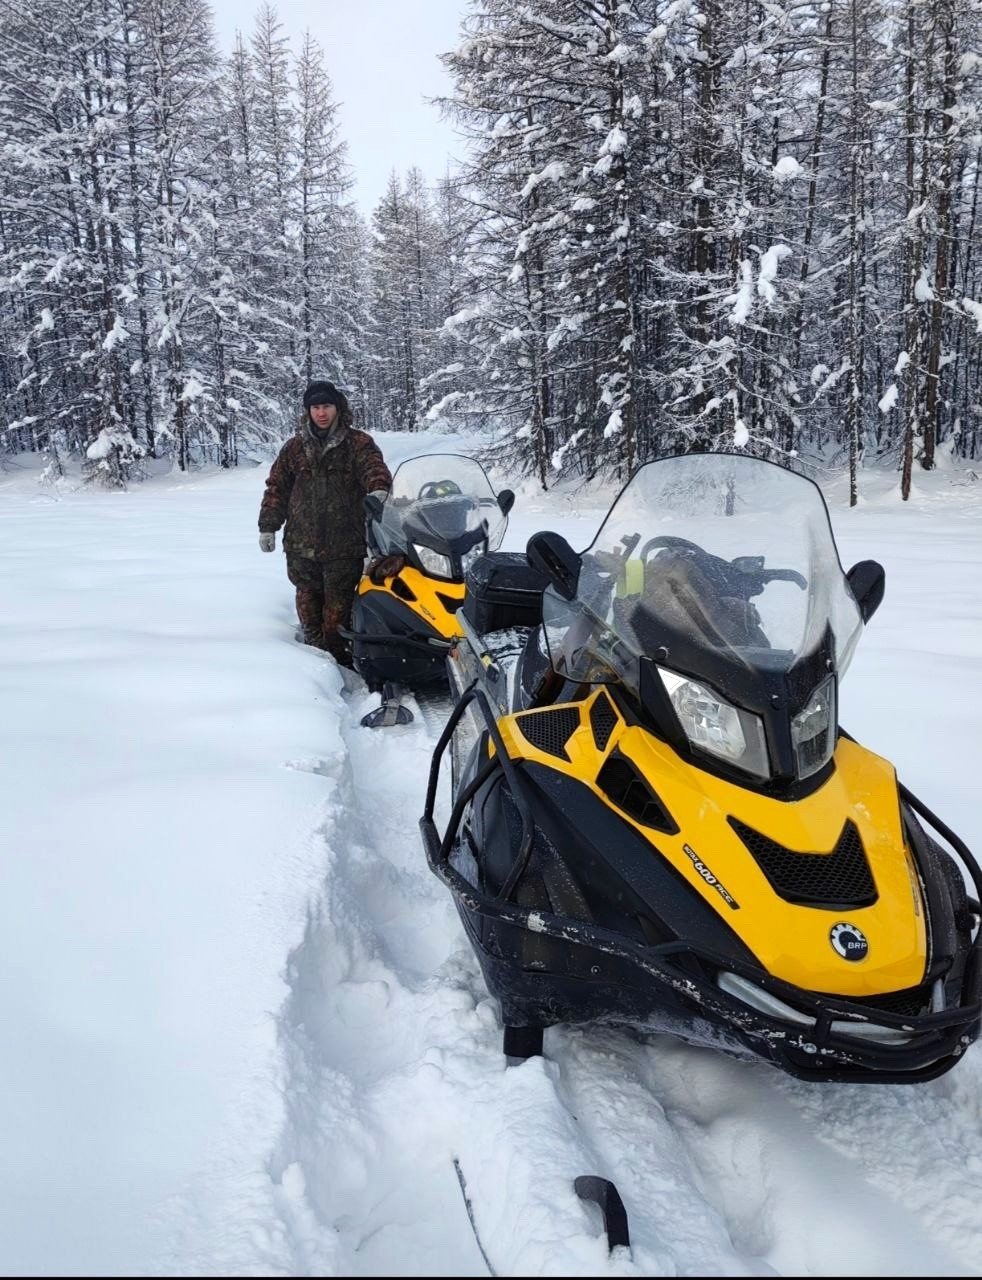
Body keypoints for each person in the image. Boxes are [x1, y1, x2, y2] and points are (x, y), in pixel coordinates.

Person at [258, 379, 394, 664]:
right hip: (301, 548)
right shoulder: (294, 448)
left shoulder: (358, 443)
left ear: (337, 407)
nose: (321, 413)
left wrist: (379, 489)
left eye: (327, 406)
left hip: (344, 548)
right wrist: (268, 526)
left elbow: (373, 468)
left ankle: (342, 667)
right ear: (308, 411)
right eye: (315, 407)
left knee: (336, 622)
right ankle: (316, 671)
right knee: (310, 620)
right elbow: (277, 488)